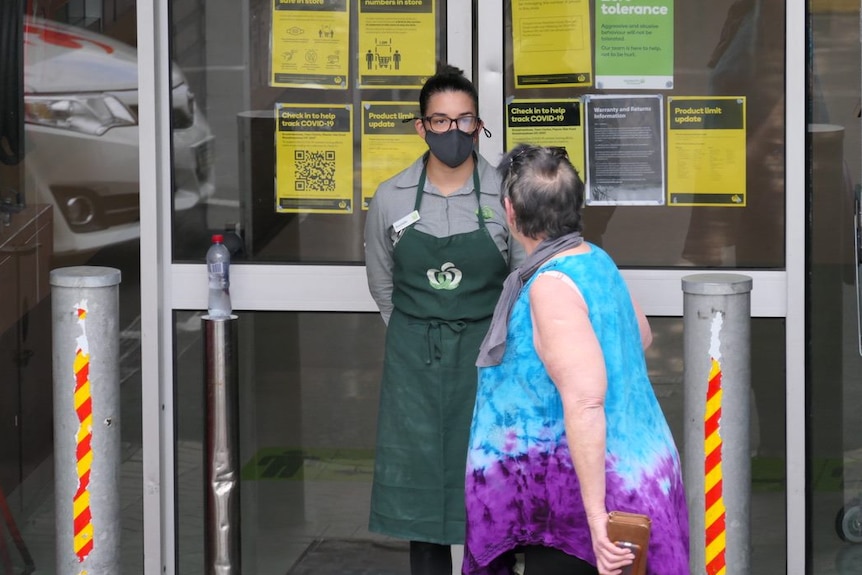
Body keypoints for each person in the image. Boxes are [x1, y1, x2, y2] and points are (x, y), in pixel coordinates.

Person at [463, 145, 689, 575]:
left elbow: (585, 402)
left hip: (592, 498)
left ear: (510, 212)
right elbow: (639, 336)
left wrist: (595, 522)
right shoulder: (595, 259)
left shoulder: (550, 283)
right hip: (640, 468)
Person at [364, 65, 524, 575]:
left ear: (479, 126)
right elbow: (383, 284)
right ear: (421, 127)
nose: (453, 132)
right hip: (416, 365)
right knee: (424, 498)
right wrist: (419, 336)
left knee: (492, 487)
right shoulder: (390, 197)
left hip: (490, 360)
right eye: (440, 121)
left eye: (464, 120)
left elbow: (524, 282)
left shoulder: (507, 195)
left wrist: (494, 340)